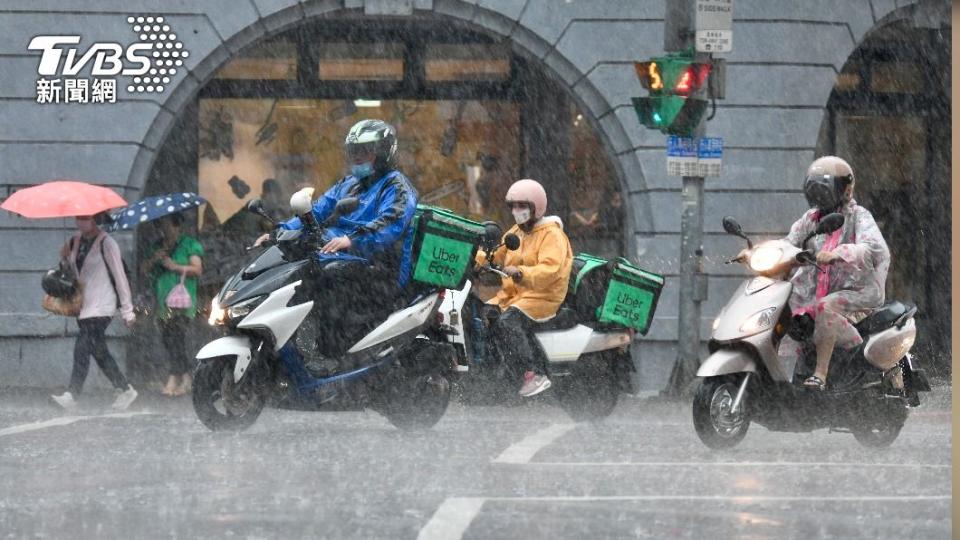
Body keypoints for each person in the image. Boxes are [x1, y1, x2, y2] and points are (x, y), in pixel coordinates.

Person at [255, 119, 418, 362]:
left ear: (383, 152)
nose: (357, 157)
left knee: (325, 281)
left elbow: (392, 222)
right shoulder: (349, 184)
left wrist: (353, 239)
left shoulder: (396, 186)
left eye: (365, 151)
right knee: (295, 277)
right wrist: (279, 233)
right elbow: (316, 211)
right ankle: (301, 350)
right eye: (354, 151)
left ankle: (327, 354)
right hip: (343, 258)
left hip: (381, 267)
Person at [777, 156, 890, 390]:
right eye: (815, 188)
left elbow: (876, 249)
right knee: (785, 308)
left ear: (846, 188)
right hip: (820, 288)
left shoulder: (859, 216)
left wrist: (840, 253)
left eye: (825, 189)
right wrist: (765, 254)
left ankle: (820, 375)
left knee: (825, 307)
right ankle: (781, 376)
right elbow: (790, 242)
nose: (820, 195)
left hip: (859, 291)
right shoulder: (810, 220)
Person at [479, 179, 573, 397]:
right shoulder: (517, 232)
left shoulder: (552, 234)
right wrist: (475, 259)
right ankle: (497, 373)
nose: (516, 211)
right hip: (515, 296)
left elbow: (551, 270)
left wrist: (522, 273)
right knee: (480, 316)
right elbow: (497, 253)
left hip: (543, 297)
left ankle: (533, 373)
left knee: (508, 321)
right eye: (513, 206)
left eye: (522, 206)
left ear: (536, 207)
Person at [51, 213, 138, 410]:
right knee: (99, 352)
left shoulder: (107, 243)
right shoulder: (74, 241)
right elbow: (74, 273)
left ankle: (72, 394)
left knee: (82, 345)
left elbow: (120, 276)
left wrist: (127, 310)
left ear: (95, 219)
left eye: (85, 217)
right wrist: (64, 259)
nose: (81, 221)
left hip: (103, 305)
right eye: (78, 217)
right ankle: (125, 389)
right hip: (84, 306)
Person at [142, 213, 204, 396]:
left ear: (177, 225)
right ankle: (185, 377)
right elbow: (144, 269)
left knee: (175, 338)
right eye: (161, 226)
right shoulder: (157, 246)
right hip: (163, 302)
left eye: (168, 225)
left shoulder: (189, 244)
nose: (164, 230)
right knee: (168, 340)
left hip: (182, 303)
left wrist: (175, 266)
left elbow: (197, 269)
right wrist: (155, 258)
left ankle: (174, 377)